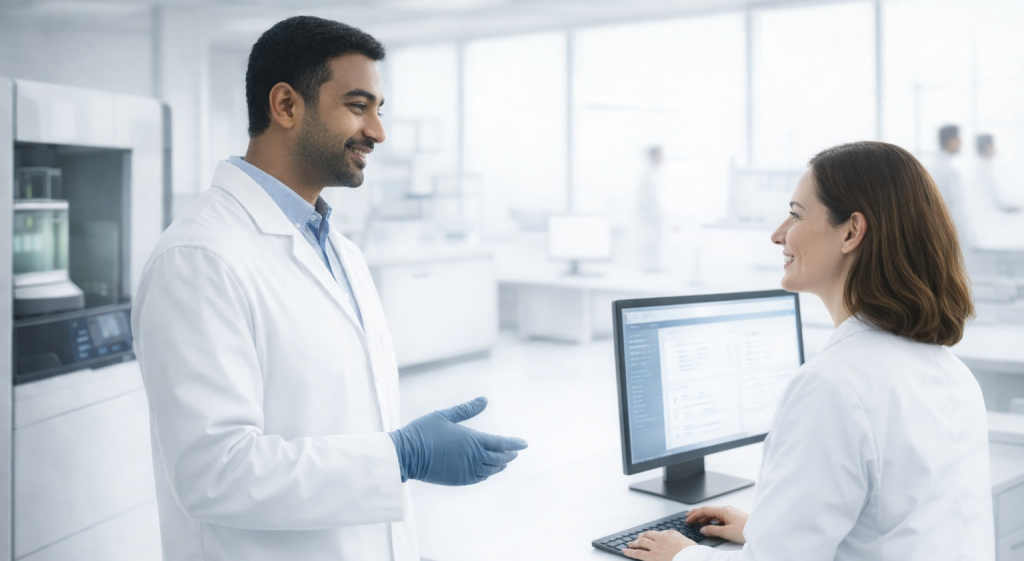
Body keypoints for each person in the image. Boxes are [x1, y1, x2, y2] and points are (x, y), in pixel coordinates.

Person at [132, 16, 527, 561]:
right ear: (287, 106)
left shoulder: (340, 251)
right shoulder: (199, 259)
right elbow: (213, 473)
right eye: (358, 105)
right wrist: (399, 457)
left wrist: (395, 451)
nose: (378, 132)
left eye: (378, 110)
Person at [622, 141, 993, 560]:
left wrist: (682, 555)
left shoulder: (833, 385)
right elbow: (895, 524)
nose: (778, 234)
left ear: (852, 231)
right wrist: (767, 527)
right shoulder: (951, 371)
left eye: (796, 215)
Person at [929, 124, 969, 239]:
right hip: (947, 227)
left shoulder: (933, 165)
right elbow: (956, 206)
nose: (961, 143)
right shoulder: (949, 170)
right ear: (950, 141)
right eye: (958, 139)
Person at [973, 133, 1021, 213]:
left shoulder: (983, 166)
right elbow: (994, 195)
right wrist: (1011, 207)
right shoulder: (983, 170)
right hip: (989, 214)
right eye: (993, 146)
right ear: (987, 148)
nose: (995, 149)